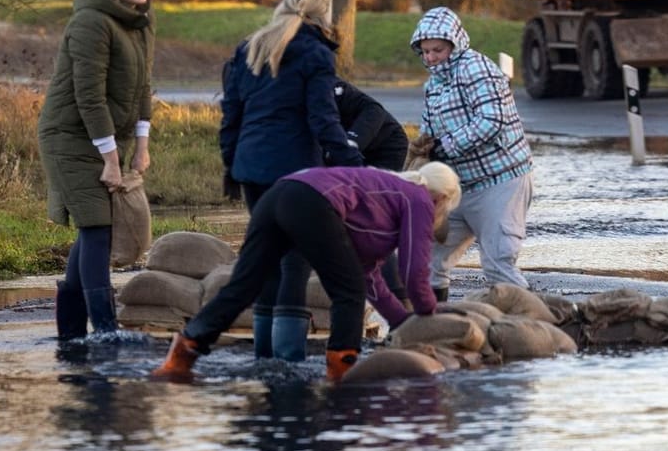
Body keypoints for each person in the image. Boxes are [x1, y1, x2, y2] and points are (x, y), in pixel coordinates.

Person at [151, 164, 459, 385]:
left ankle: (180, 359)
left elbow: (366, 275)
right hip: (311, 201)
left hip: (280, 193)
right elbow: (413, 267)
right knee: (347, 294)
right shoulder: (417, 197)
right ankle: (341, 374)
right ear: (442, 199)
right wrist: (426, 310)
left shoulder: (383, 194)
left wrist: (401, 321)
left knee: (244, 286)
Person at [218, 0, 364, 362]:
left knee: (266, 262)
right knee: (295, 263)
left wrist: (231, 166)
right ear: (325, 6)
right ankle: (289, 362)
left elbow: (231, 115)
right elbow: (323, 121)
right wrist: (356, 167)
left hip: (252, 169)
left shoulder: (250, 46)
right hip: (297, 172)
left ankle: (264, 360)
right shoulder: (315, 53)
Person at [37, 0, 156, 341]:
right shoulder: (90, 23)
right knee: (97, 227)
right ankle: (105, 330)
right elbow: (89, 95)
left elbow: (143, 85)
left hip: (103, 137)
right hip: (69, 137)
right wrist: (110, 159)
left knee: (95, 229)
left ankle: (70, 335)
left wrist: (141, 145)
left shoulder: (139, 20)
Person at [408, 7, 535, 294]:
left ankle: (533, 329)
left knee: (498, 263)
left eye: (437, 50)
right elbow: (430, 131)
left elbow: (492, 120)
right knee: (428, 256)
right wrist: (421, 150)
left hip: (501, 181)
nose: (430, 58)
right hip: (459, 186)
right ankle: (434, 325)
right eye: (425, 52)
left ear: (454, 43)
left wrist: (447, 147)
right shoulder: (433, 86)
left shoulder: (476, 69)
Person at [334, 78, 409, 170]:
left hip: (386, 145)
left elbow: (374, 110)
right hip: (350, 152)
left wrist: (350, 143)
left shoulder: (328, 86)